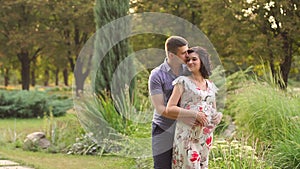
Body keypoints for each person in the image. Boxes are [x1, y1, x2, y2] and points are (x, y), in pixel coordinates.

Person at [149, 36, 207, 169]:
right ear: (171, 55)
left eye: (188, 51)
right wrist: (188, 116)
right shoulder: (157, 75)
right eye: (183, 53)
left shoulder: (189, 70)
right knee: (162, 166)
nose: (188, 56)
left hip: (187, 130)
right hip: (163, 128)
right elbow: (160, 108)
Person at [166, 46, 223, 169]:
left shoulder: (210, 85)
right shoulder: (182, 82)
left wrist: (218, 116)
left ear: (202, 61)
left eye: (194, 59)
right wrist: (194, 114)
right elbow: (170, 108)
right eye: (188, 60)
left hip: (205, 137)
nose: (190, 62)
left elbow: (213, 109)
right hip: (187, 135)